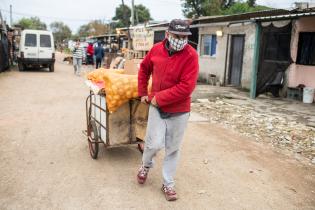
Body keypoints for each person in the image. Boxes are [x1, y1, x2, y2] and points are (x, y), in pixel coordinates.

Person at [137, 19, 199, 201]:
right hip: (157, 107)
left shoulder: (191, 55)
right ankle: (145, 165)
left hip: (179, 110)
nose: (181, 39)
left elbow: (186, 87)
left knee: (173, 148)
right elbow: (144, 69)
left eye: (184, 36)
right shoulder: (156, 49)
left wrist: (159, 98)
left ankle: (168, 184)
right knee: (153, 144)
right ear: (167, 35)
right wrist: (142, 92)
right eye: (176, 36)